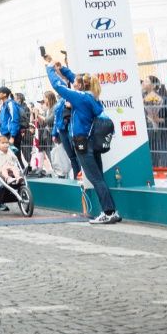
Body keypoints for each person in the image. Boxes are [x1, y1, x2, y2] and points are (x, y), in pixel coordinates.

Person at [46, 59, 119, 225]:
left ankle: (108, 212)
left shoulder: (80, 98)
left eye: (75, 83)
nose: (73, 83)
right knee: (99, 177)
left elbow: (58, 86)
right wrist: (63, 70)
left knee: (96, 179)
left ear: (80, 86)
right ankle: (112, 211)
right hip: (92, 141)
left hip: (82, 143)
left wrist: (50, 69)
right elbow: (76, 79)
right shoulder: (91, 96)